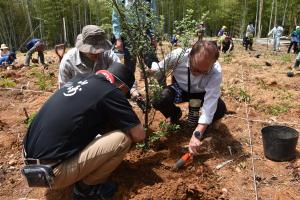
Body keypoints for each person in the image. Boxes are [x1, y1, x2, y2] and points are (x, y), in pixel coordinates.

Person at [22, 62, 146, 200]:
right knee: (122, 139)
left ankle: (73, 170)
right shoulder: (111, 91)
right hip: (52, 173)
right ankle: (86, 189)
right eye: (125, 94)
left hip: (29, 162)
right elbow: (139, 135)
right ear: (122, 87)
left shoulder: (80, 79)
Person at [150, 41, 227, 155]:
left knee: (219, 109)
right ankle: (174, 114)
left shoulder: (215, 71)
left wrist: (197, 133)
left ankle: (198, 116)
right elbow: (160, 68)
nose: (197, 74)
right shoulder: (178, 56)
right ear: (190, 55)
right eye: (194, 68)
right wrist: (153, 76)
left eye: (203, 72)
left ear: (213, 63)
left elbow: (210, 101)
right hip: (180, 89)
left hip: (200, 94)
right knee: (159, 99)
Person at [112, 0, 159, 72]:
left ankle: (161, 81)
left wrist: (153, 35)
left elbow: (153, 16)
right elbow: (116, 19)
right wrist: (118, 38)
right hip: (128, 34)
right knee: (129, 64)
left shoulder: (149, 1)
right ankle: (131, 82)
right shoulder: (119, 1)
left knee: (151, 60)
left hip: (144, 32)